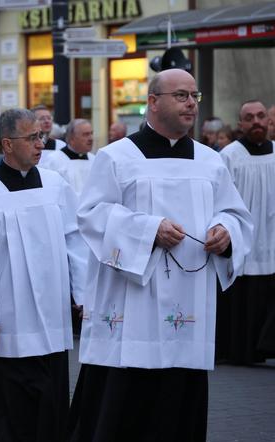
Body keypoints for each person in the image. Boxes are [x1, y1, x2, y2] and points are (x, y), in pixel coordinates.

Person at [68, 69, 253, 441]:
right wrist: (148, 230)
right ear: (153, 102)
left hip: (189, 302)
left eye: (194, 97)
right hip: (132, 305)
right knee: (125, 404)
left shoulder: (210, 161)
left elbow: (234, 213)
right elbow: (91, 215)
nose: (190, 104)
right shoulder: (117, 157)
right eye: (181, 95)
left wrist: (225, 232)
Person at [0, 108, 87, 441]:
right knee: (12, 401)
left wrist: (83, 293)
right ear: (7, 144)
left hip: (52, 313)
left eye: (42, 136)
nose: (41, 144)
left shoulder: (55, 184)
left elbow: (75, 240)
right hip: (10, 315)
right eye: (32, 138)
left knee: (51, 395)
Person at [217, 100, 275, 364]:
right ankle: (240, 350)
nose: (256, 122)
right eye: (249, 118)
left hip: (272, 237)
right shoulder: (229, 155)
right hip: (245, 238)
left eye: (261, 116)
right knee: (244, 297)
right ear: (240, 124)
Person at [41, 118, 95, 195]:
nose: (91, 138)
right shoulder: (54, 160)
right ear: (72, 138)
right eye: (85, 134)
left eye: (91, 133)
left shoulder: (94, 160)